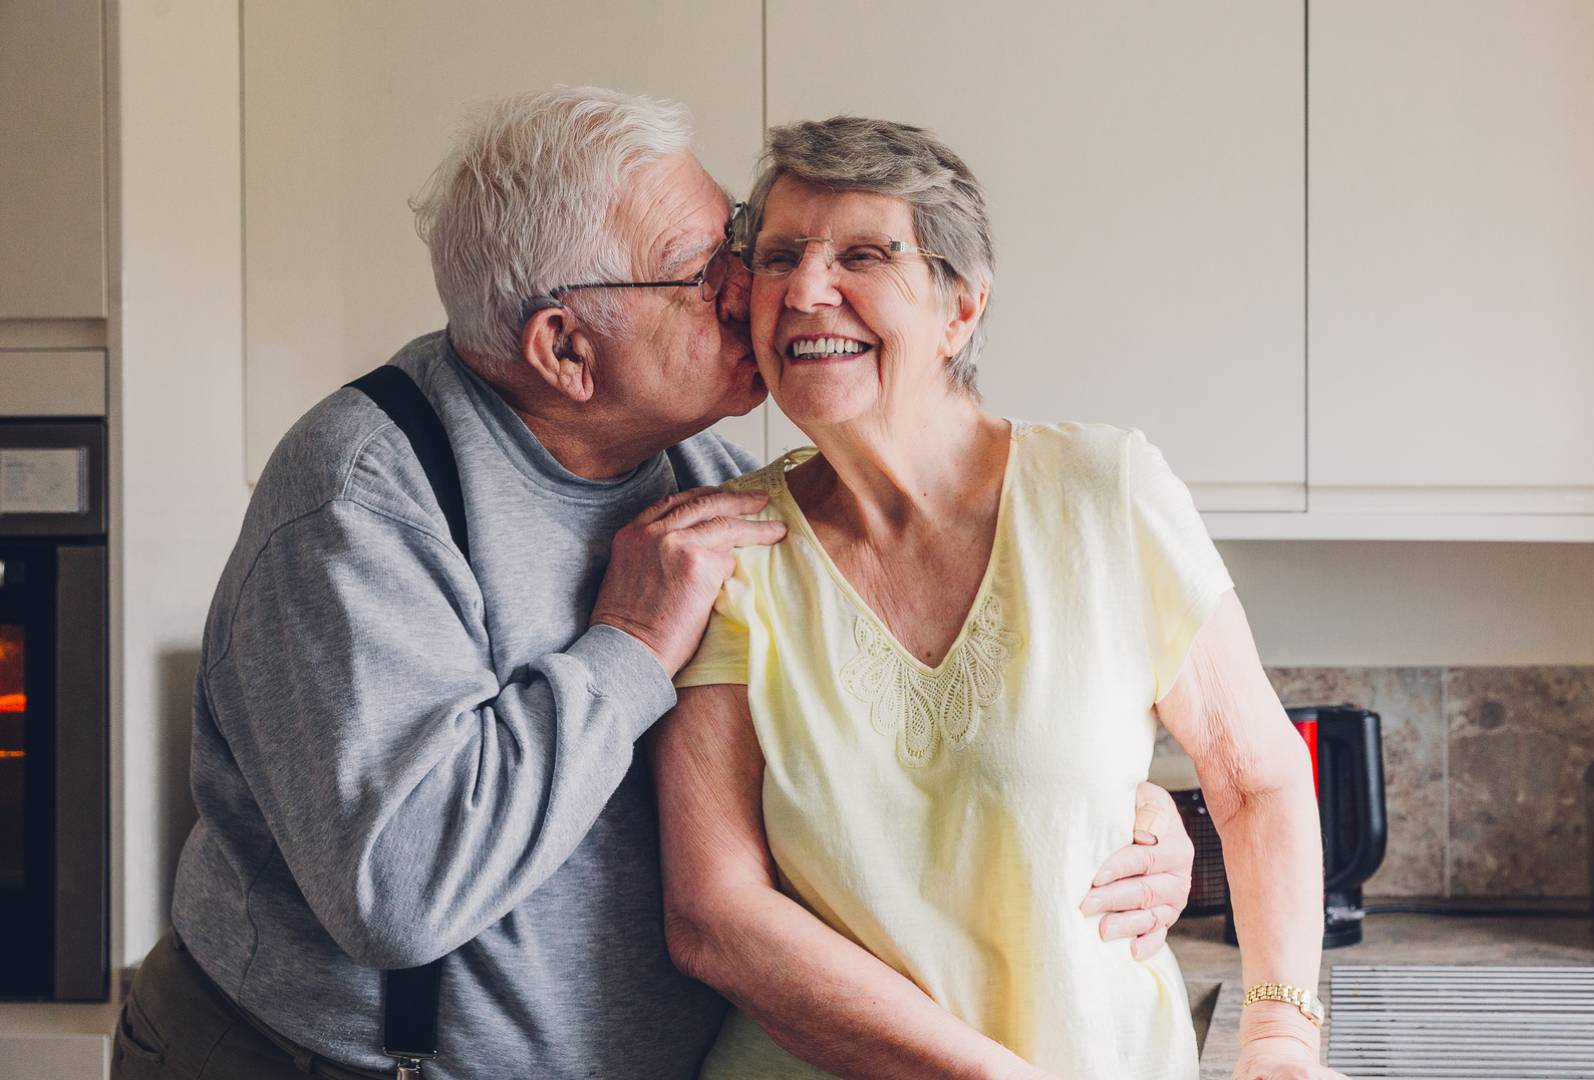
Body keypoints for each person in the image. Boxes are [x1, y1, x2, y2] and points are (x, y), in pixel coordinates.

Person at [114, 88, 1193, 1080]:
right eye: (700, 269)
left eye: (737, 235)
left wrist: (1118, 821)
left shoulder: (712, 472)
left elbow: (873, 773)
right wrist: (627, 648)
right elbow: (402, 890)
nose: (758, 287)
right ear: (567, 350)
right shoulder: (362, 501)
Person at [653, 116, 1342, 1079]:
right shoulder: (727, 547)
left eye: (862, 253)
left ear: (961, 308)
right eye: (778, 256)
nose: (806, 290)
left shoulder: (1107, 492)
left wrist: (1280, 1040)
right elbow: (716, 917)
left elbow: (1255, 779)